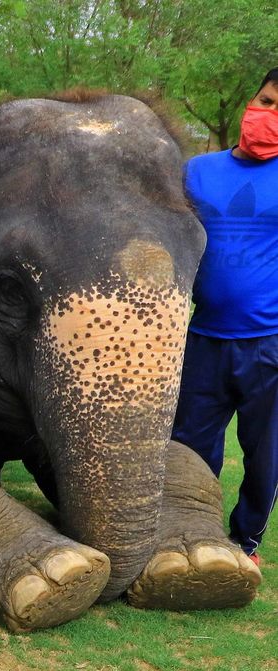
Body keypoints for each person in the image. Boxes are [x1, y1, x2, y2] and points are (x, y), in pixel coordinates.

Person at [172, 67, 278, 568]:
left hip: (269, 343)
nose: (268, 115)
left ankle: (244, 543)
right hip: (202, 336)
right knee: (189, 448)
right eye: (267, 100)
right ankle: (189, 532)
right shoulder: (197, 171)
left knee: (265, 455)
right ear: (250, 101)